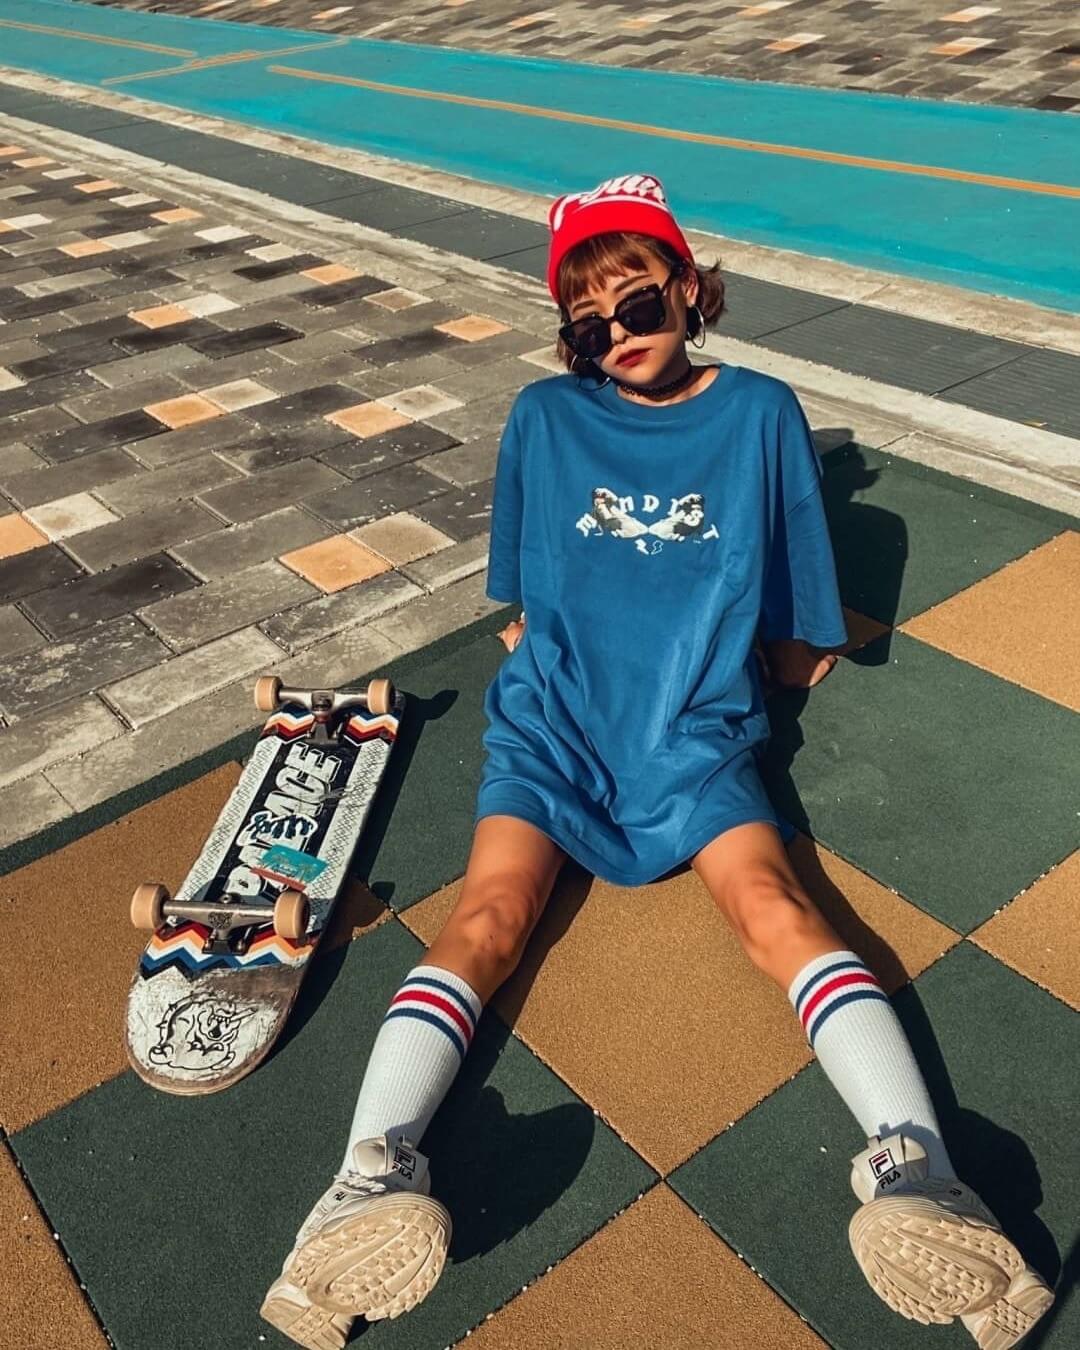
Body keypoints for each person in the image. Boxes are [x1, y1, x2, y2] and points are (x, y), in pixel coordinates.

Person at [260, 172, 1053, 1350]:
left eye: (638, 304)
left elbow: (793, 635)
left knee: (777, 904)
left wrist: (744, 659)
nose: (617, 337)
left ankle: (921, 1176)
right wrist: (746, 654)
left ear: (690, 289)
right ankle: (361, 1183)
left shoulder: (763, 412)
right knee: (487, 915)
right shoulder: (543, 416)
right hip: (562, 726)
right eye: (588, 325)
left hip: (689, 732)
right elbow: (534, 616)